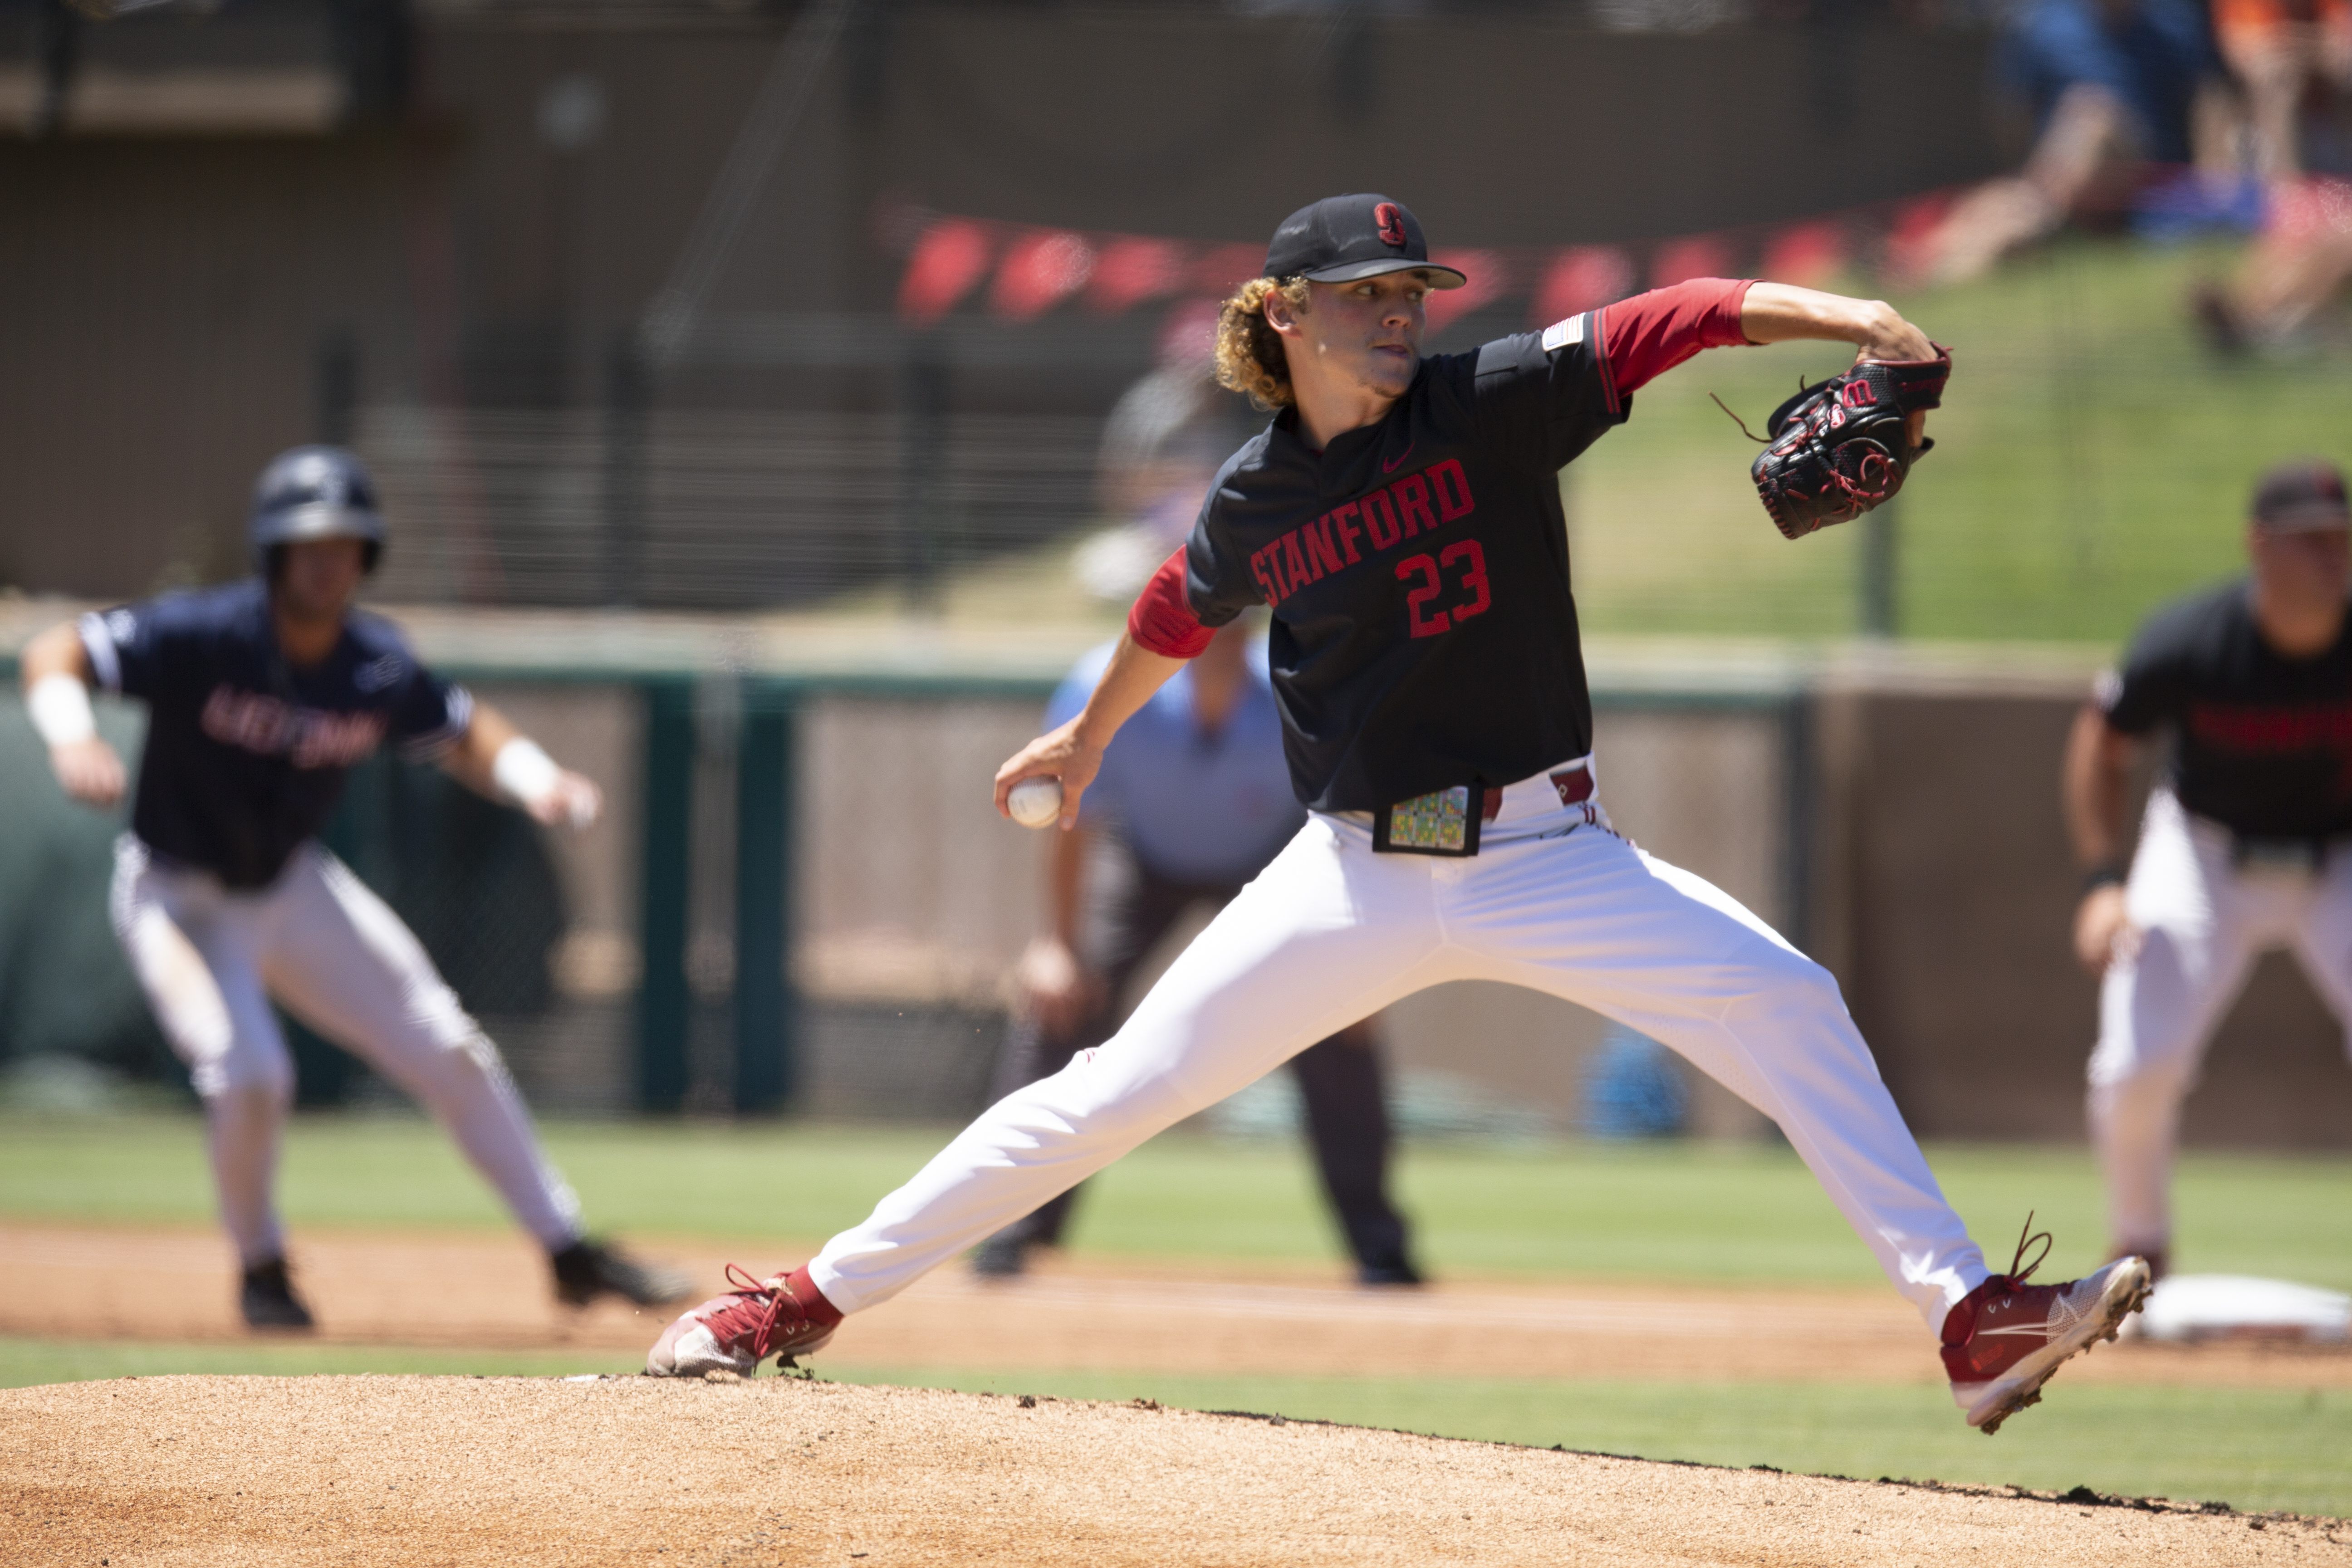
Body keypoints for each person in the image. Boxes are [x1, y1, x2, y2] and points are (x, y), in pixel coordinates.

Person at [648, 194, 2150, 1435]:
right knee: (1109, 1089)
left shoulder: (1487, 403)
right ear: (1285, 315)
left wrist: (1853, 321)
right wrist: (1089, 734)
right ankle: (799, 1296)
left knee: (1786, 999)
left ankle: (1965, 1316)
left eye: (1408, 288)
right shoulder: (1256, 492)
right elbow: (1182, 599)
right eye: (1363, 292)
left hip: (1550, 855)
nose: (1396, 311)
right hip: (1351, 877)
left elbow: (1673, 313)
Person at [19, 445, 691, 1330]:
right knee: (252, 1074)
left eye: (344, 542)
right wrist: (71, 736)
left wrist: (536, 780)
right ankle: (262, 1269)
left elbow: (461, 728)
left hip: (292, 887)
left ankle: (569, 1253)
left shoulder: (372, 661)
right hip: (176, 895)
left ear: (366, 556)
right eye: (308, 543)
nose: (326, 559)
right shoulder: (208, 633)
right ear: (274, 553)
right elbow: (54, 650)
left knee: (451, 1047)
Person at [975, 612, 1420, 1285]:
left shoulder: (1296, 693)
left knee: (1340, 1016)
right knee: (1063, 1002)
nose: (1220, 636)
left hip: (1271, 857)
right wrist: (1055, 945)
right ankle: (1005, 1229)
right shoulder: (1104, 687)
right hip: (1147, 857)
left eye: (1235, 622)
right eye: (1206, 618)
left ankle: (1379, 1246)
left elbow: (1351, 817)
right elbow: (1074, 824)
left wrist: (1363, 957)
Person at [2064, 459, 2352, 1283]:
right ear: (2258, 546)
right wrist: (2099, 883)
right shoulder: (2191, 639)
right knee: (2135, 1061)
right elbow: (2100, 742)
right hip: (2204, 853)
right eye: (2308, 541)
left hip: (2337, 857)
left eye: (2338, 539)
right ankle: (2136, 1251)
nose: (2330, 556)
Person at [1900, 0, 2220, 286]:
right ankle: (1932, 259)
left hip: (2141, 174)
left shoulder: (2172, 23)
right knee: (2005, 205)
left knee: (2094, 113)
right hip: (2058, 171)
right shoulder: (2045, 23)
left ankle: (1935, 264)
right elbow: (2013, 111)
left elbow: (2208, 103)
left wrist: (2213, 176)